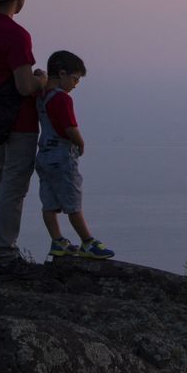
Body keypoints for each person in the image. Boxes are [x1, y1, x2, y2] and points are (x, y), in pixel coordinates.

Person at [0, 0, 56, 275]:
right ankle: (6, 253)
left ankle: (0, 248)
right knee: (14, 186)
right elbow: (24, 86)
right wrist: (43, 80)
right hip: (19, 122)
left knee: (1, 181)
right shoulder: (16, 34)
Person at [35, 50, 115, 260]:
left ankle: (57, 241)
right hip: (62, 156)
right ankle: (87, 242)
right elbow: (70, 127)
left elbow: (40, 76)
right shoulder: (63, 99)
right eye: (74, 79)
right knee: (73, 202)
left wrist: (40, 76)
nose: (75, 84)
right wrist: (80, 143)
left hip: (43, 155)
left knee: (49, 203)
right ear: (62, 74)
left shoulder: (42, 95)